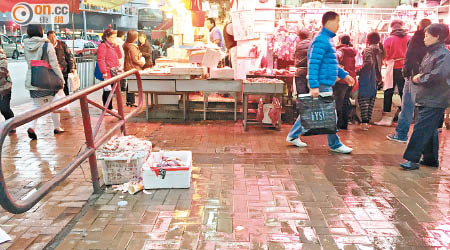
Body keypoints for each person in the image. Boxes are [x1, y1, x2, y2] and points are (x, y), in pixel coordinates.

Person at [286, 11, 355, 154]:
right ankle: (335, 144)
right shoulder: (321, 40)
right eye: (337, 22)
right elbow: (313, 64)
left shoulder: (327, 40)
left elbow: (331, 63)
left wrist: (344, 75)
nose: (338, 25)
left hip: (325, 83)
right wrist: (314, 85)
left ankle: (292, 135)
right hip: (322, 84)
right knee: (330, 115)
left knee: (312, 111)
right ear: (329, 22)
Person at [401, 23, 450, 170]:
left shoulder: (444, 54)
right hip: (428, 96)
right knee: (429, 128)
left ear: (437, 37)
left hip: (435, 97)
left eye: (428, 35)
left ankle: (412, 158)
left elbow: (438, 75)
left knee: (421, 128)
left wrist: (419, 79)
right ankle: (430, 158)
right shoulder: (432, 53)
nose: (425, 38)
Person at [387, 19, 432, 142]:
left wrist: (407, 73)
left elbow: (410, 57)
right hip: (425, 78)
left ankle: (401, 135)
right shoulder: (435, 43)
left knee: (408, 107)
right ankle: (419, 138)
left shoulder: (415, 39)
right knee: (421, 108)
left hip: (413, 76)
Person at [24, 24, 65, 140]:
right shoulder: (47, 44)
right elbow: (54, 64)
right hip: (46, 79)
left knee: (37, 104)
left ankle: (31, 126)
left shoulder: (26, 45)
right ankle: (57, 127)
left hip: (32, 79)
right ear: (41, 32)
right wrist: (61, 78)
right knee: (54, 104)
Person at [376, 20, 410, 126]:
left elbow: (385, 54)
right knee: (404, 92)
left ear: (392, 28)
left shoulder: (389, 39)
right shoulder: (409, 38)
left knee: (388, 92)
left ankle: (386, 118)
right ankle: (406, 117)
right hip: (406, 67)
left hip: (392, 67)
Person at [356, 32, 384, 131]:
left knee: (363, 99)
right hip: (376, 78)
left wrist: (358, 72)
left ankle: (364, 123)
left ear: (368, 39)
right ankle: (367, 122)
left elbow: (368, 63)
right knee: (371, 100)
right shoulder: (380, 50)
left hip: (367, 78)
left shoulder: (368, 50)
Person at [334, 34, 357, 130]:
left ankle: (338, 124)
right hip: (351, 79)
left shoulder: (341, 50)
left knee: (338, 102)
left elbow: (335, 58)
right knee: (345, 102)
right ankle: (344, 124)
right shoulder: (352, 51)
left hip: (342, 80)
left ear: (340, 41)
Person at [97, 28, 121, 112]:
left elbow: (119, 56)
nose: (113, 39)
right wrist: (104, 72)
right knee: (107, 90)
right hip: (107, 71)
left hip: (113, 71)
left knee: (110, 90)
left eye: (114, 37)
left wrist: (117, 46)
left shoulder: (112, 46)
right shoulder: (103, 46)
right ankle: (107, 109)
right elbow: (100, 59)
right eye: (112, 37)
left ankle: (109, 108)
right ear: (106, 37)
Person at [47, 31, 76, 96]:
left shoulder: (62, 44)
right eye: (51, 37)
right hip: (52, 72)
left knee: (64, 88)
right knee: (54, 90)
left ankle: (66, 103)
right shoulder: (46, 46)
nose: (53, 38)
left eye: (54, 36)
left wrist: (72, 68)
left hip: (63, 71)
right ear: (47, 37)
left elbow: (69, 56)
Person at [123, 30, 144, 107]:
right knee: (132, 84)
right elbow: (135, 59)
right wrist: (142, 62)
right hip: (133, 67)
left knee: (130, 83)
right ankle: (131, 101)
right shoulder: (132, 47)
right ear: (134, 38)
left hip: (128, 66)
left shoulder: (127, 45)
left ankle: (130, 101)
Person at [0, 39, 15, 134]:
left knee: (4, 109)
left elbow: (2, 71)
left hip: (4, 88)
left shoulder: (1, 56)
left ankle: (12, 125)